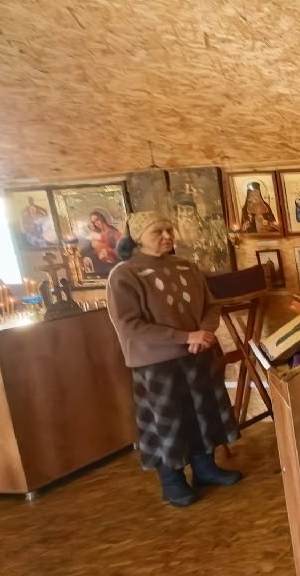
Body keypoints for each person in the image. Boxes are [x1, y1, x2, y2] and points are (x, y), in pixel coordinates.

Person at [106, 212, 242, 507]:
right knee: (167, 420)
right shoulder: (124, 275)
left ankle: (205, 468)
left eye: (169, 229)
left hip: (196, 354)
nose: (167, 236)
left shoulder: (186, 267)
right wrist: (185, 337)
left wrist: (204, 333)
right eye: (158, 232)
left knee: (203, 412)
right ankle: (172, 480)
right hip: (156, 363)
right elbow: (130, 326)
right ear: (138, 237)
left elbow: (211, 306)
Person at [84, 209, 122, 276]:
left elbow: (121, 250)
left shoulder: (112, 232)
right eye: (93, 222)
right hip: (101, 264)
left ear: (103, 218)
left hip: (113, 265)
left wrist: (107, 250)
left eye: (97, 219)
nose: (96, 223)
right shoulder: (97, 234)